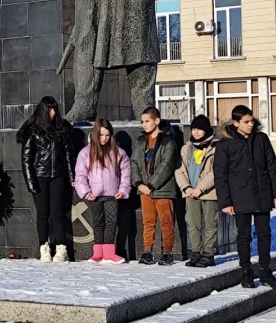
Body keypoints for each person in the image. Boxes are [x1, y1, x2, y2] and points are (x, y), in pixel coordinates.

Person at [215, 105, 276, 289]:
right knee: (244, 236)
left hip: (262, 194)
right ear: (236, 123)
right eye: (246, 122)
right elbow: (221, 175)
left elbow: (272, 166)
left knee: (264, 234)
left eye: (252, 120)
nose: (250, 124)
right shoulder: (225, 144)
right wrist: (226, 201)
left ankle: (265, 270)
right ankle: (246, 271)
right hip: (239, 196)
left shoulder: (261, 139)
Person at [17, 96, 76, 263]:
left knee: (57, 213)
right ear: (43, 110)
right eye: (50, 109)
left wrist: (72, 177)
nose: (53, 112)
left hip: (58, 176)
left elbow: (68, 155)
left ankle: (61, 248)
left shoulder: (61, 128)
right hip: (40, 176)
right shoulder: (33, 130)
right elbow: (26, 159)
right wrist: (31, 183)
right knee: (42, 214)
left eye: (55, 109)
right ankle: (44, 247)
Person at [74, 119, 130, 263]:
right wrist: (85, 192)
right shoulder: (86, 153)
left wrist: (123, 189)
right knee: (98, 222)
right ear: (95, 134)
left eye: (107, 135)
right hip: (95, 195)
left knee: (112, 222)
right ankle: (97, 252)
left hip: (112, 194)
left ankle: (109, 253)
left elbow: (125, 173)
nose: (104, 138)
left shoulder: (118, 152)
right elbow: (80, 175)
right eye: (101, 135)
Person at [131, 107, 178, 265]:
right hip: (144, 189)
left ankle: (167, 251)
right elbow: (135, 163)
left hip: (162, 189)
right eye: (142, 122)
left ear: (156, 121)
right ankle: (147, 251)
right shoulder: (140, 142)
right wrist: (139, 183)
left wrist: (151, 185)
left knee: (166, 221)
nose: (144, 125)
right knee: (148, 222)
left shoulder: (168, 141)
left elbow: (167, 166)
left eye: (147, 121)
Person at [174, 114, 219, 267]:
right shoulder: (187, 148)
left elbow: (216, 172)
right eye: (194, 129)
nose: (196, 132)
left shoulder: (215, 147)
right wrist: (186, 187)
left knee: (210, 223)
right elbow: (179, 170)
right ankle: (196, 252)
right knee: (193, 223)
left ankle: (208, 253)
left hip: (209, 193)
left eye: (200, 129)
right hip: (190, 192)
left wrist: (200, 188)